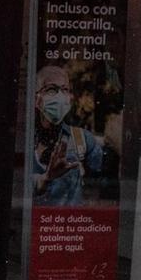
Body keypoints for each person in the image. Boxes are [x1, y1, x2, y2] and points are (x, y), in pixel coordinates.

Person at [32, 65, 103, 206]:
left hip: (69, 224)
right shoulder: (25, 141)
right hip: (37, 224)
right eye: (51, 89)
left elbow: (106, 179)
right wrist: (45, 179)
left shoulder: (82, 139)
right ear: (36, 99)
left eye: (65, 90)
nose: (60, 96)